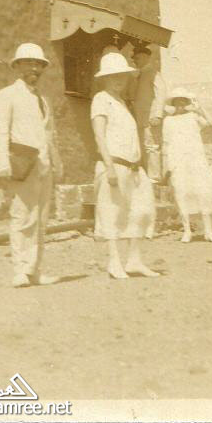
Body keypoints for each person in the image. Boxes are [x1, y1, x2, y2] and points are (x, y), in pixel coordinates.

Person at [0, 43, 63, 288]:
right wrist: (1, 162)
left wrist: (57, 161)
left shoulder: (43, 99)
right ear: (17, 66)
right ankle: (20, 270)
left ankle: (35, 270)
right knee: (22, 216)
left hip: (44, 166)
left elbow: (50, 133)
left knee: (41, 219)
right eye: (29, 63)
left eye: (38, 64)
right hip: (22, 165)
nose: (34, 68)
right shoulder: (7, 95)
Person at [89, 52, 159, 279]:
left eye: (121, 76)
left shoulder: (122, 103)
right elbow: (99, 135)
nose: (118, 80)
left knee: (141, 210)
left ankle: (134, 260)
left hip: (133, 167)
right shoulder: (101, 99)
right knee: (112, 212)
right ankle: (114, 261)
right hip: (114, 164)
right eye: (113, 76)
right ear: (104, 79)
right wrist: (109, 167)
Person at [162, 88, 212, 244]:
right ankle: (187, 231)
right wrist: (167, 167)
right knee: (182, 193)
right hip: (178, 161)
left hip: (196, 159)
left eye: (183, 101)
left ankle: (208, 231)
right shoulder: (168, 121)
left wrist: (199, 107)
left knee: (203, 191)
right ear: (173, 104)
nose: (180, 104)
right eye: (177, 101)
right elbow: (166, 144)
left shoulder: (193, 116)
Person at [127, 45, 166, 181]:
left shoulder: (153, 72)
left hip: (150, 117)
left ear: (145, 57)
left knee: (152, 146)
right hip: (140, 117)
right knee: (142, 145)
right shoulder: (139, 74)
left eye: (137, 58)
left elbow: (161, 93)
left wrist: (157, 115)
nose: (134, 61)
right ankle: (146, 175)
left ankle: (154, 177)